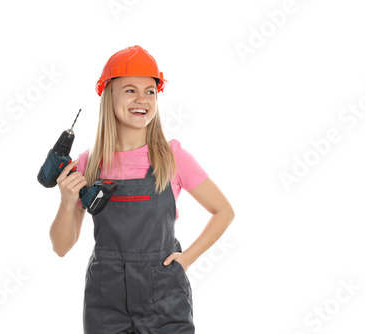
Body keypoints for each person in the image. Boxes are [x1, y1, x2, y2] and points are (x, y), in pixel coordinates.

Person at [49, 45, 235, 333]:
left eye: (150, 91)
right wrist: (66, 200)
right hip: (105, 295)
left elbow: (223, 211)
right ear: (109, 94)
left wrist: (187, 259)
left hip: (163, 292)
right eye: (130, 90)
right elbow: (61, 247)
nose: (142, 99)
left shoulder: (171, 157)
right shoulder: (89, 163)